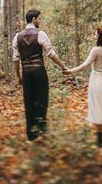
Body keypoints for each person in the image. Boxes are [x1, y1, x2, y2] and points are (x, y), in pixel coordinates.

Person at [12, 9, 68, 141]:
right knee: (41, 100)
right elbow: (51, 54)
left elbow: (15, 59)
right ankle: (41, 131)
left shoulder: (17, 36)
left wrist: (18, 76)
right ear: (33, 19)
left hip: (26, 72)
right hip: (39, 71)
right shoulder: (40, 34)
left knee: (29, 101)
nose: (40, 21)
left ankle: (31, 135)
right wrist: (63, 66)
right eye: (39, 18)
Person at [63, 26, 102, 147]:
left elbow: (85, 65)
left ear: (99, 37)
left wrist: (70, 71)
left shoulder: (96, 50)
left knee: (98, 108)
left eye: (95, 35)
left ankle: (100, 142)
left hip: (97, 81)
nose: (94, 37)